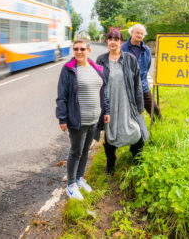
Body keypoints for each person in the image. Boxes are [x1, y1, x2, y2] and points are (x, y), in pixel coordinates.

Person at [56, 39, 110, 200]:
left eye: (82, 49)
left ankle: (79, 178)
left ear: (89, 50)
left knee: (85, 150)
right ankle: (71, 185)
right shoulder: (69, 70)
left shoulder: (97, 69)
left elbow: (103, 91)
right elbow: (62, 96)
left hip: (94, 119)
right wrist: (62, 118)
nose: (79, 52)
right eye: (76, 49)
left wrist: (106, 110)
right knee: (76, 151)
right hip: (78, 120)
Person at [97, 28, 148, 175]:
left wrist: (140, 105)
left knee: (136, 129)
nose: (113, 42)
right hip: (109, 103)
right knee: (110, 132)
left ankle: (137, 156)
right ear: (107, 41)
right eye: (110, 39)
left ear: (121, 42)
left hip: (127, 101)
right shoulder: (101, 59)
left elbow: (137, 83)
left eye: (116, 39)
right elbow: (97, 83)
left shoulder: (130, 59)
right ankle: (111, 162)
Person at [121, 24, 161, 120]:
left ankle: (158, 126)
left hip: (142, 85)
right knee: (128, 110)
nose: (139, 35)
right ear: (131, 33)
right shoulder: (122, 48)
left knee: (153, 108)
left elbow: (147, 66)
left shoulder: (146, 50)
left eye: (142, 34)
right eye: (137, 33)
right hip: (125, 85)